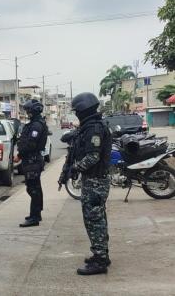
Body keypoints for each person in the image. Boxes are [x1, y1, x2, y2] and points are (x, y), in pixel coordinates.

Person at [63, 92, 112, 275]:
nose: (76, 114)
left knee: (94, 220)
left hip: (95, 180)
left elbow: (93, 156)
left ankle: (99, 261)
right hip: (94, 179)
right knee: (97, 218)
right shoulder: (92, 126)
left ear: (83, 110)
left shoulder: (94, 128)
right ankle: (101, 255)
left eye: (77, 111)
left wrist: (75, 168)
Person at [17, 99, 48, 227]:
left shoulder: (36, 125)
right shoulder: (34, 124)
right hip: (31, 161)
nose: (27, 113)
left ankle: (34, 217)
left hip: (32, 160)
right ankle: (36, 213)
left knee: (33, 189)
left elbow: (30, 144)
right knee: (34, 188)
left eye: (29, 111)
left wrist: (19, 154)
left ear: (34, 111)